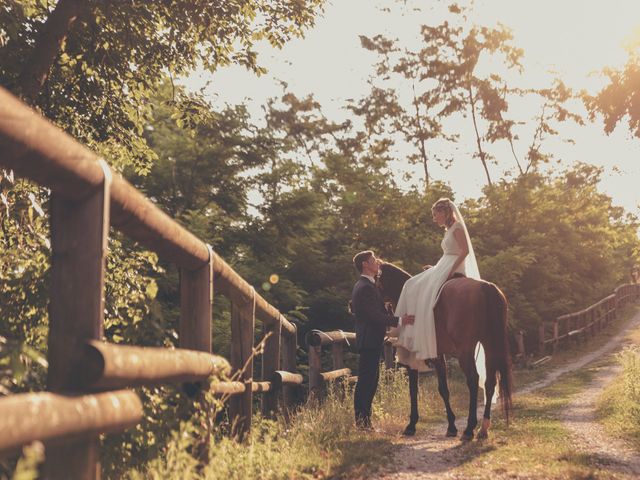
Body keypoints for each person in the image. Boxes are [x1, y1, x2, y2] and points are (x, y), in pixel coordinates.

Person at [395, 198, 487, 387]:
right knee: (412, 284)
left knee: (413, 285)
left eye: (435, 214)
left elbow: (464, 251)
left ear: (444, 212)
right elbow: (449, 253)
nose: (434, 217)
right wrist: (435, 267)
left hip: (453, 267)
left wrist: (451, 271)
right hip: (443, 265)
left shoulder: (458, 227)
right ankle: (407, 329)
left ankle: (417, 329)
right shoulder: (449, 230)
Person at [351, 250, 414, 429]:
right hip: (369, 340)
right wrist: (400, 320)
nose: (377, 262)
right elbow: (373, 315)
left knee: (371, 381)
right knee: (366, 382)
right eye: (373, 260)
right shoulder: (364, 287)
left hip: (372, 339)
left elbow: (375, 311)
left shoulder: (369, 285)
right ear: (365, 264)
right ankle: (362, 423)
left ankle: (365, 422)